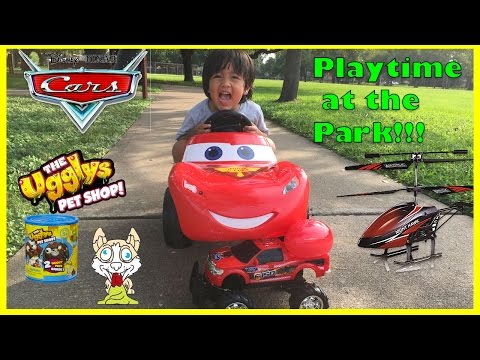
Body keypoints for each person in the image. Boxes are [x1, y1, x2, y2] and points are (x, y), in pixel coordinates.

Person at [172, 50, 276, 163]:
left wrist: (258, 135)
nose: (225, 83)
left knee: (271, 145)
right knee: (179, 147)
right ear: (208, 86)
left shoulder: (253, 111)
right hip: (206, 167)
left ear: (246, 87)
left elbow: (266, 142)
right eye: (218, 76)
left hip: (245, 166)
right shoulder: (197, 114)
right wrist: (193, 135)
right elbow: (180, 144)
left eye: (234, 77)